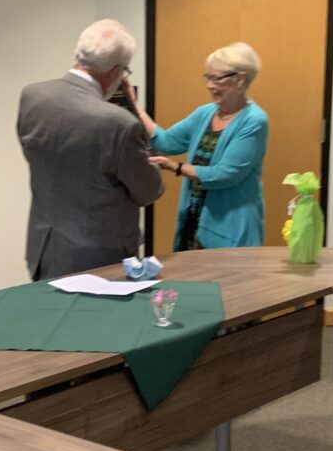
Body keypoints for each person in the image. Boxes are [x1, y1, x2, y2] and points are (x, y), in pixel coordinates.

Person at [16, 19, 163, 280]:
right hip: (99, 260)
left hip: (44, 249)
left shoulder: (32, 96)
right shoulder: (119, 124)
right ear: (115, 71)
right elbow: (148, 192)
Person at [128, 42, 269, 251]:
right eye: (208, 78)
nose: (210, 85)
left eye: (216, 78)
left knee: (226, 283)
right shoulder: (204, 113)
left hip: (231, 229)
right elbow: (166, 142)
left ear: (240, 80)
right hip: (194, 221)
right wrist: (135, 107)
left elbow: (225, 174)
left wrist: (176, 167)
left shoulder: (254, 121)